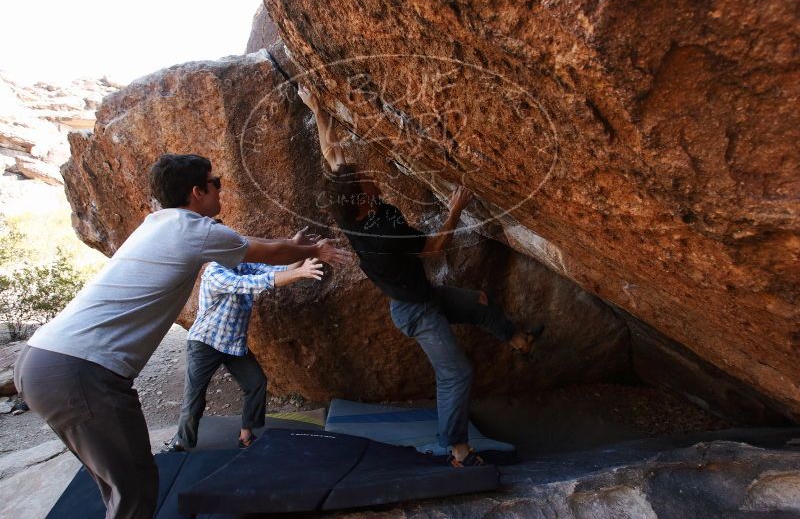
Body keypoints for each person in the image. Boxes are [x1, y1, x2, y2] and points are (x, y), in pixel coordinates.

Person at [13, 153, 349, 519]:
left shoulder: (161, 223)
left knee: (117, 483)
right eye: (215, 182)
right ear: (196, 192)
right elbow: (267, 254)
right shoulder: (196, 231)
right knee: (136, 487)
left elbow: (253, 245)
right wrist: (313, 250)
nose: (220, 187)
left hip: (40, 360)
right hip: (79, 372)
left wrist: (292, 245)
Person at [298, 87, 543, 467]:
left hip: (422, 294)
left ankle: (520, 341)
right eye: (365, 182)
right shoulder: (382, 233)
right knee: (456, 373)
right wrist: (455, 208)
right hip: (415, 310)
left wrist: (317, 110)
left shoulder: (354, 207)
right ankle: (458, 450)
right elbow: (432, 249)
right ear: (363, 202)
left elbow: (333, 155)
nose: (369, 177)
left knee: (479, 302)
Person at [164, 250, 324, 452]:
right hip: (205, 342)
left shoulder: (243, 266)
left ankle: (246, 435)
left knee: (256, 382)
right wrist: (301, 272)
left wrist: (303, 252)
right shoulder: (215, 272)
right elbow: (252, 284)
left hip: (233, 344)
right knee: (195, 394)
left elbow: (280, 270)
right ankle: (181, 443)